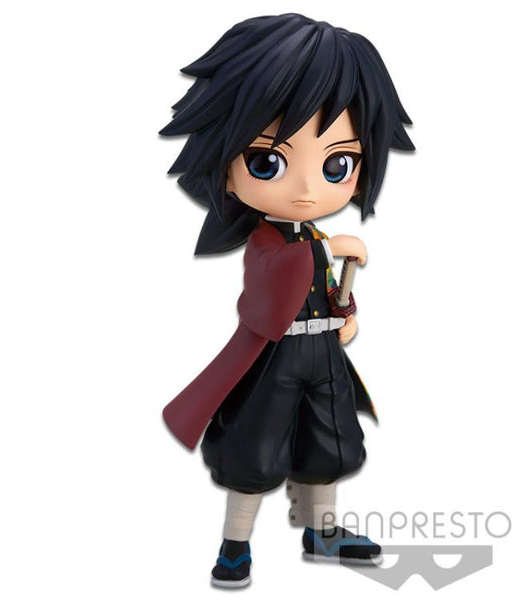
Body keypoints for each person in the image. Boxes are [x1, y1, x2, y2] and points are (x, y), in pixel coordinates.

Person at [159, 12, 414, 588]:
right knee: (254, 451)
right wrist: (324, 252)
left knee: (329, 443)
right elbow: (265, 295)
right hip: (274, 360)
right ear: (225, 168)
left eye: (337, 164)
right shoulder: (268, 243)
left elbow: (327, 295)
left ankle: (322, 532)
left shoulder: (316, 238)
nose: (306, 188)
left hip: (323, 356)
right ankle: (235, 545)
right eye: (267, 162)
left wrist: (345, 316)